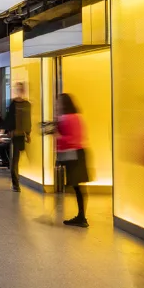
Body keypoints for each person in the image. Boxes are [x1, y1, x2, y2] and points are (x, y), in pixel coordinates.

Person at [48, 93, 89, 227]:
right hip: (74, 154)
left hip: (73, 155)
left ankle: (82, 217)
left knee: (76, 186)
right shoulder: (73, 117)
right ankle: (81, 216)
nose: (57, 106)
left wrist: (57, 135)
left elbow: (72, 139)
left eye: (58, 103)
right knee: (76, 186)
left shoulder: (69, 118)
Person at [4, 82, 32, 192]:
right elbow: (9, 118)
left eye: (20, 89)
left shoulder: (26, 104)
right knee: (15, 160)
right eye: (17, 89)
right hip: (15, 135)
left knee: (19, 158)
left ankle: (16, 181)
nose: (19, 91)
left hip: (22, 135)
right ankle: (15, 183)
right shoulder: (13, 103)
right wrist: (9, 131)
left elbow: (27, 119)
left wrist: (28, 133)